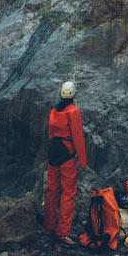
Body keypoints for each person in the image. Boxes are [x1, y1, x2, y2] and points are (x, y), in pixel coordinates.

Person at [45, 80, 88, 246]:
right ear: (73, 95)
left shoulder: (54, 111)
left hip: (53, 151)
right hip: (67, 153)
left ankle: (48, 228)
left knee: (52, 191)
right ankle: (63, 232)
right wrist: (83, 161)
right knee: (68, 193)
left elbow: (50, 133)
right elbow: (77, 137)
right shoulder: (74, 111)